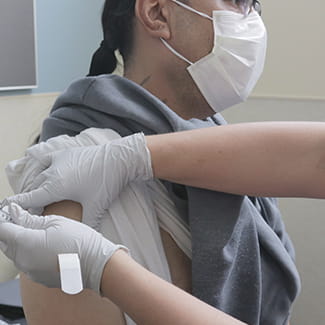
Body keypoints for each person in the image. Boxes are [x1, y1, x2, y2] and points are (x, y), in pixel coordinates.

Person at [3, 0, 302, 324]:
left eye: (253, 4)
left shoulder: (230, 151)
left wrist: (106, 268)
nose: (252, 18)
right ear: (158, 13)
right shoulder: (73, 175)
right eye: (236, 0)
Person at [2, 121, 325, 325]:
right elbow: (316, 156)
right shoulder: (80, 145)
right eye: (239, 4)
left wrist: (104, 269)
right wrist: (134, 155)